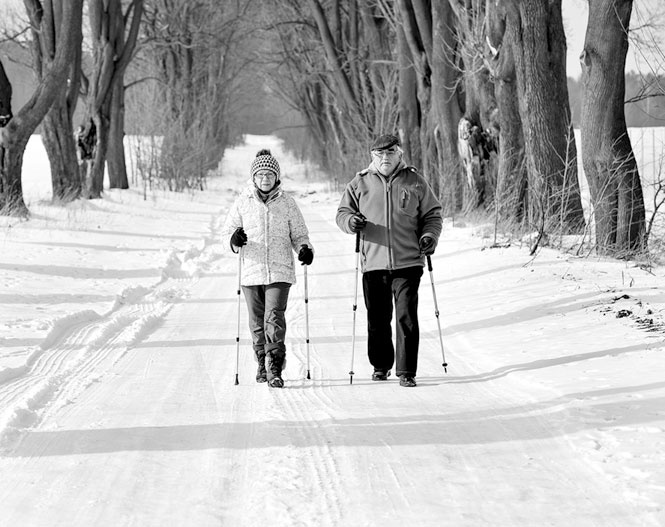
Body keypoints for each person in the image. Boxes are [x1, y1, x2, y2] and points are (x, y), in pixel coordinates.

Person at [336, 134, 442, 387]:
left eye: (390, 152)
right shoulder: (360, 182)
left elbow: (432, 214)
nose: (385, 158)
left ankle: (406, 372)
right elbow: (343, 212)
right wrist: (351, 222)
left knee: (406, 317)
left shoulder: (415, 181)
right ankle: (381, 365)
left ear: (399, 154)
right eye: (380, 154)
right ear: (373, 156)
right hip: (373, 262)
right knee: (378, 318)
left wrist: (429, 236)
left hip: (409, 262)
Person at [223, 148, 314, 388]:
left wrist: (304, 249)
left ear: (277, 177)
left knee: (274, 318)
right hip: (251, 271)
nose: (265, 179)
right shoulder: (243, 202)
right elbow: (227, 232)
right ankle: (261, 362)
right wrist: (234, 239)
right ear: (253, 177)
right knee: (256, 321)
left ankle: (275, 367)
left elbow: (300, 234)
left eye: (270, 174)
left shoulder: (287, 203)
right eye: (261, 174)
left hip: (280, 270)